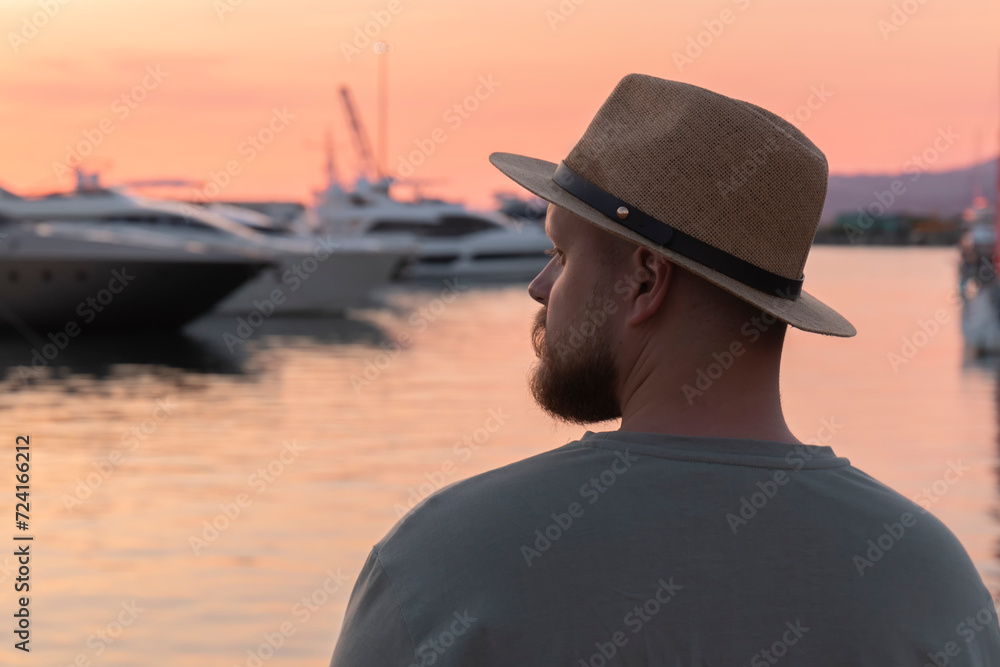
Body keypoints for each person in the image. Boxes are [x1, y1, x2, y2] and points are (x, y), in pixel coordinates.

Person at [330, 74, 1000, 665]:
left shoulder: (442, 561)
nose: (540, 286)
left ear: (644, 279)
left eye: (561, 254)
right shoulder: (929, 581)